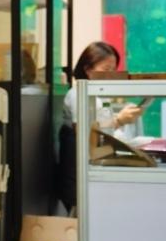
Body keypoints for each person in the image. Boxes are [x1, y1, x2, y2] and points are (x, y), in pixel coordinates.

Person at [57, 41, 144, 211]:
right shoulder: (78, 95)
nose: (111, 75)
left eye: (113, 70)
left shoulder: (99, 96)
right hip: (78, 177)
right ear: (88, 69)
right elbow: (84, 134)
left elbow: (102, 130)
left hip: (93, 168)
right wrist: (119, 120)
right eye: (106, 70)